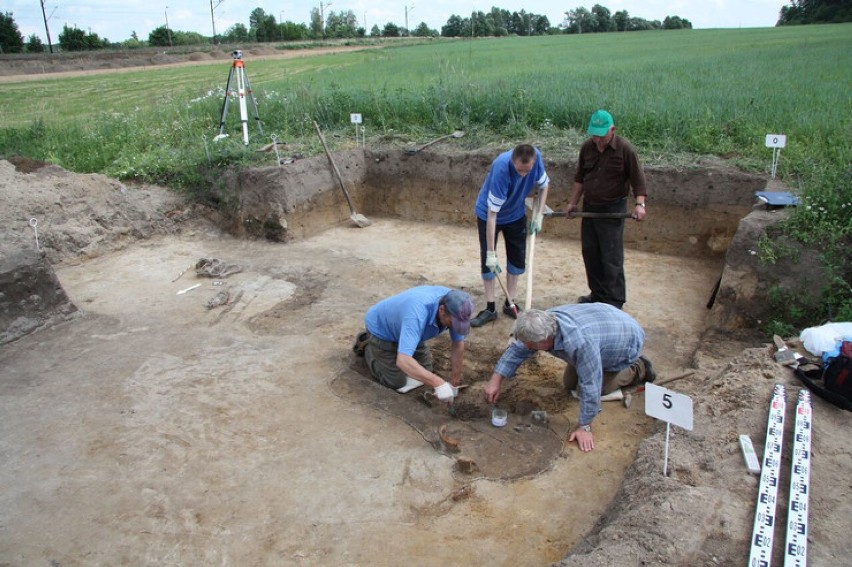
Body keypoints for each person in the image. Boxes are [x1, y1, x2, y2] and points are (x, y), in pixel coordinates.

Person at [483, 304, 655, 453]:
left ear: (544, 342)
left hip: (625, 341)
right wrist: (495, 380)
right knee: (569, 383)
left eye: (530, 345)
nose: (525, 347)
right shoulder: (542, 322)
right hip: (603, 323)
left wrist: (585, 426)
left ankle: (638, 368)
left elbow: (591, 383)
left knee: (585, 389)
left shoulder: (580, 344)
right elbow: (517, 350)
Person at [566, 109, 647, 309]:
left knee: (611, 256)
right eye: (594, 135)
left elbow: (638, 180)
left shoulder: (625, 149)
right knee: (590, 252)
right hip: (590, 207)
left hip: (613, 208)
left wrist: (640, 204)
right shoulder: (587, 148)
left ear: (612, 130)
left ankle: (614, 300)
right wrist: (573, 203)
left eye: (601, 136)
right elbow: (580, 178)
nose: (598, 140)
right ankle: (597, 294)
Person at [471, 144, 550, 327]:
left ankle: (510, 302)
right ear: (513, 161)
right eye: (520, 170)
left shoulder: (536, 157)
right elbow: (492, 215)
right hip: (489, 214)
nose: (523, 174)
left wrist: (539, 215)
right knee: (488, 261)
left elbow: (544, 186)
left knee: (516, 259)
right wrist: (491, 253)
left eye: (527, 170)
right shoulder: (501, 168)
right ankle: (490, 308)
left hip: (516, 213)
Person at [355, 286, 473, 402]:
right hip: (381, 331)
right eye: (453, 323)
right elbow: (403, 361)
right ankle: (368, 345)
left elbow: (458, 344)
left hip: (411, 331)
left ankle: (401, 347)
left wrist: (454, 381)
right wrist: (439, 384)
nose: (454, 327)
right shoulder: (417, 314)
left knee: (426, 370)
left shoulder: (457, 306)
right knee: (396, 382)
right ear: (441, 310)